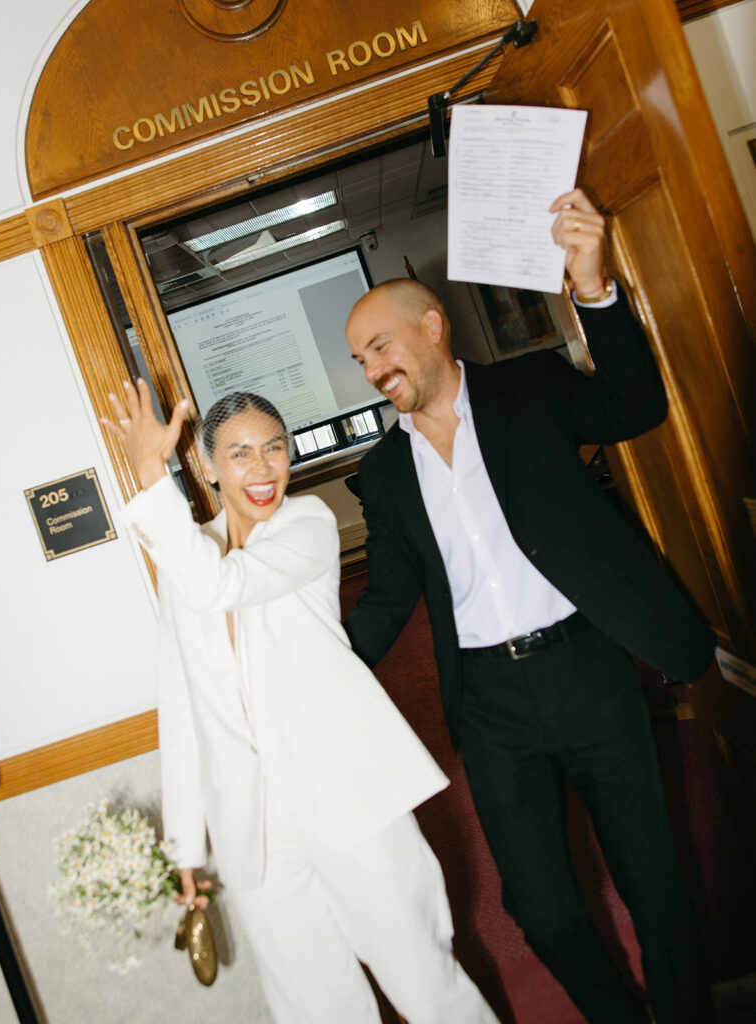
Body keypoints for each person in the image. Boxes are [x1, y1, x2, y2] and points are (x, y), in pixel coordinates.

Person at [343, 188, 716, 1024]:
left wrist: (592, 286)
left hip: (585, 666)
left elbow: (635, 406)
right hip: (489, 705)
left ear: (431, 326)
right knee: (541, 910)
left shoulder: (530, 389)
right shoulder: (383, 472)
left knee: (651, 881)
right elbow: (391, 593)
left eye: (378, 348)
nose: (371, 372)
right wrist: (313, 664)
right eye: (361, 361)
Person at [101, 386, 500, 1024]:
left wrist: (151, 473)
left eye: (274, 449)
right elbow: (180, 709)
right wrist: (186, 847)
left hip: (345, 800)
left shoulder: (306, 525)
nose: (262, 469)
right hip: (251, 829)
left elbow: (218, 586)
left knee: (425, 984)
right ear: (206, 467)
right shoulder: (189, 551)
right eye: (239, 454)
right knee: (314, 1007)